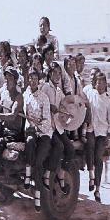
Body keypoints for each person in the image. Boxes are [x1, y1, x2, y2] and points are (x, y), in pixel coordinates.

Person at [23, 70, 54, 211]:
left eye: (35, 78)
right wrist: (31, 126)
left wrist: (37, 126)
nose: (33, 81)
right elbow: (24, 114)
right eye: (31, 78)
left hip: (44, 132)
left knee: (38, 162)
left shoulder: (44, 97)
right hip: (31, 130)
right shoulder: (25, 95)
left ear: (39, 81)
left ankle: (38, 197)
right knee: (29, 141)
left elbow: (47, 120)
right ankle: (27, 175)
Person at [42, 63, 73, 194]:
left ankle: (61, 174)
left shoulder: (59, 91)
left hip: (58, 127)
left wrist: (67, 113)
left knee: (70, 148)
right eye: (54, 73)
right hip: (48, 126)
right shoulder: (45, 87)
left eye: (59, 73)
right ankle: (47, 175)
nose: (57, 76)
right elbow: (39, 102)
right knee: (59, 146)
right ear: (50, 74)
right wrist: (49, 106)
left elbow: (63, 107)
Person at [83, 72, 110, 202]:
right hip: (91, 129)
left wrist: (109, 135)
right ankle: (91, 176)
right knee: (89, 146)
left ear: (105, 84)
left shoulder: (108, 101)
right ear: (94, 84)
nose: (99, 85)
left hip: (102, 132)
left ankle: (97, 189)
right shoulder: (90, 94)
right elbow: (83, 99)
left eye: (102, 83)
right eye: (97, 82)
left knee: (98, 158)